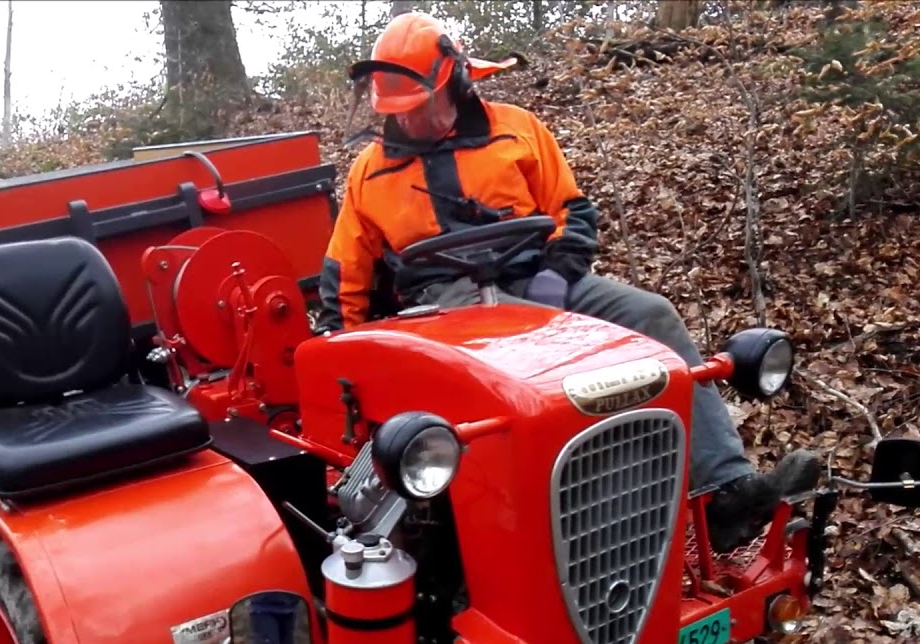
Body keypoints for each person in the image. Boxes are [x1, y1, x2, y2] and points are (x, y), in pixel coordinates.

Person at [314, 11, 820, 554]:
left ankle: (724, 490)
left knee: (651, 315)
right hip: (446, 304)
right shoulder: (370, 171)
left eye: (420, 109)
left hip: (539, 277)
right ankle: (588, 523)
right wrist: (348, 358)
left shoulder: (517, 129)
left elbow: (572, 213)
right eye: (401, 113)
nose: (410, 123)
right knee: (539, 359)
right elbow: (348, 271)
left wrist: (558, 274)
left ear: (456, 85)